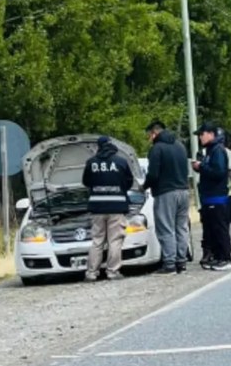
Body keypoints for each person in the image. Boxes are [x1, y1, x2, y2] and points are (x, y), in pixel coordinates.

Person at [81, 136, 135, 282]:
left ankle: (91, 273)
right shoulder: (121, 162)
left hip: (97, 207)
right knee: (115, 240)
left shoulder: (91, 163)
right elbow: (129, 182)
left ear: (98, 146)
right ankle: (112, 272)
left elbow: (86, 182)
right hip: (117, 207)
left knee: (97, 241)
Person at [143, 119, 191, 275]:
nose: (149, 139)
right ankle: (181, 262)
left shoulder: (157, 149)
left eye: (149, 135)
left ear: (154, 132)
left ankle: (169, 264)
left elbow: (153, 174)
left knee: (166, 228)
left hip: (166, 193)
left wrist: (144, 186)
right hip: (184, 191)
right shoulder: (180, 146)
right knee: (181, 227)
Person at [192, 122, 231, 271]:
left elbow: (219, 172)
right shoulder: (210, 151)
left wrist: (201, 166)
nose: (200, 138)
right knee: (212, 230)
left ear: (211, 133)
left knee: (220, 229)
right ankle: (217, 257)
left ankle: (226, 258)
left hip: (218, 197)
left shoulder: (217, 151)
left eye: (202, 134)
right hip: (209, 197)